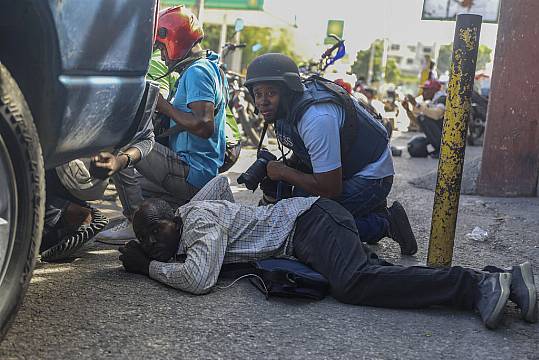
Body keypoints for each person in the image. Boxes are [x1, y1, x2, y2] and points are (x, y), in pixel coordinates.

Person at [118, 176, 538, 329]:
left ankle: (476, 286)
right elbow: (221, 186)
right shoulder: (194, 210)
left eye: (155, 233)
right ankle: (505, 279)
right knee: (380, 277)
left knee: (354, 284)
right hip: (311, 227)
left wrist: (149, 266)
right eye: (147, 239)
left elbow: (199, 280)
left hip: (312, 223)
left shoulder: (199, 222)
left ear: (174, 218)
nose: (154, 243)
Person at [242, 53, 417, 255]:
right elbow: (303, 153)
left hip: (371, 176)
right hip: (346, 168)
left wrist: (282, 172)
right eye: (258, 94)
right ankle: (367, 213)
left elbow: (330, 188)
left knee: (307, 227)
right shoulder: (285, 109)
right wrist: (281, 173)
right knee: (294, 206)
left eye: (271, 93)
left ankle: (385, 222)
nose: (263, 101)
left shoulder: (316, 118)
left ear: (288, 91)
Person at [97, 5, 228, 241]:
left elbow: (204, 125)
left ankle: (135, 220)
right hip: (197, 173)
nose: (162, 54)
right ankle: (151, 217)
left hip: (192, 173)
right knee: (137, 183)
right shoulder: (206, 67)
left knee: (122, 147)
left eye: (161, 46)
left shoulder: (198, 72)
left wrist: (164, 106)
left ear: (175, 39)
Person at [402, 79, 446, 158]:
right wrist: (408, 110)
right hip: (441, 133)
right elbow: (418, 123)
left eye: (425, 90)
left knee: (423, 118)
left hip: (446, 136)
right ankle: (437, 149)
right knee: (415, 147)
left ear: (433, 90)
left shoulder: (442, 98)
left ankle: (442, 150)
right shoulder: (431, 102)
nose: (423, 93)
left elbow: (436, 115)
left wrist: (416, 104)